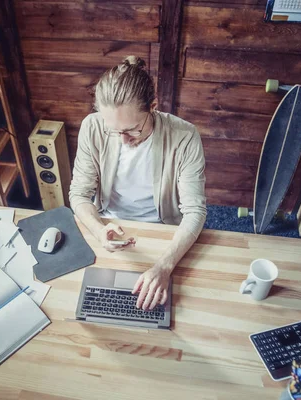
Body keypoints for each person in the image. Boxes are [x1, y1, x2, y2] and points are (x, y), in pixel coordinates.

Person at [69, 55, 207, 312]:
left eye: (132, 130)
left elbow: (195, 211)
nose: (123, 140)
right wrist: (99, 230)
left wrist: (164, 266)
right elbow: (79, 194)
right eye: (114, 130)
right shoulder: (92, 126)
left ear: (153, 106)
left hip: (165, 233)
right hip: (110, 227)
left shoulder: (184, 136)